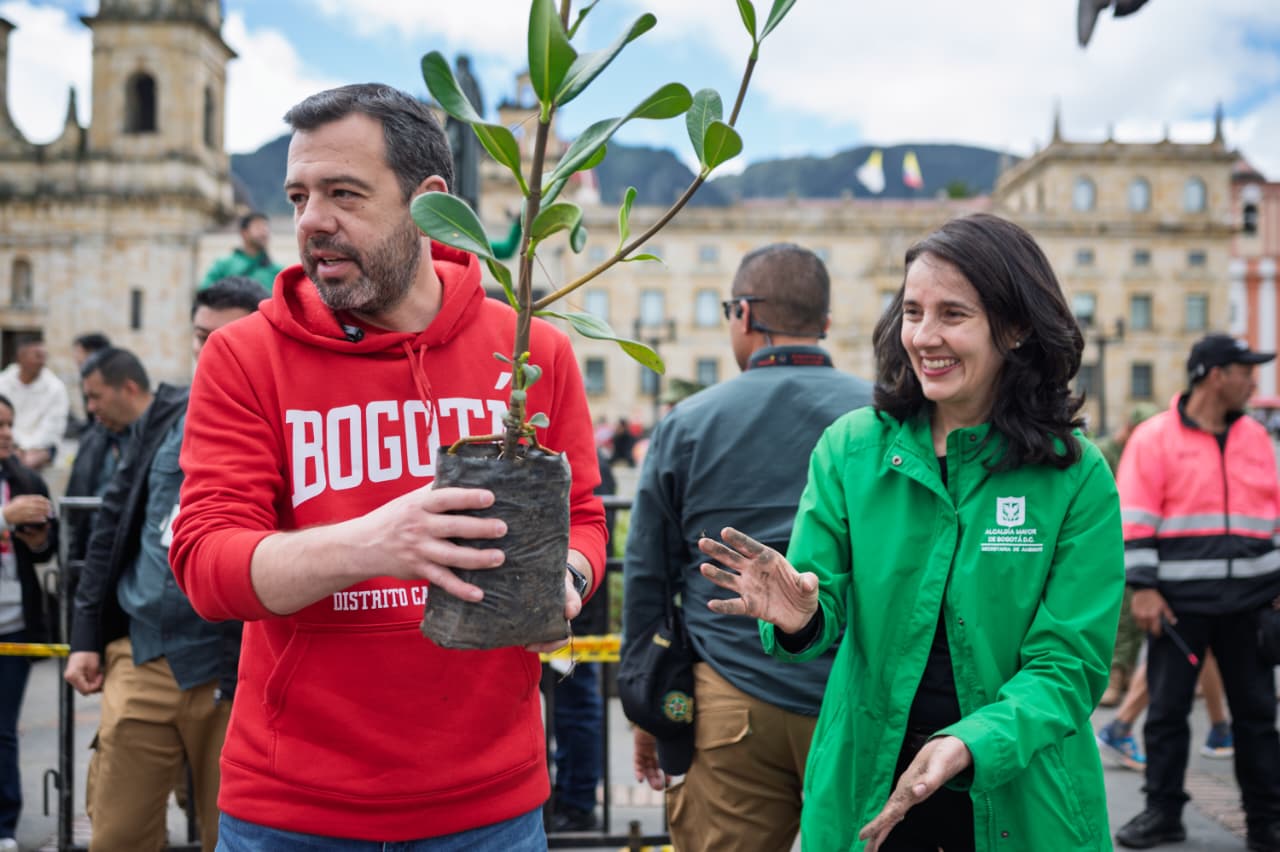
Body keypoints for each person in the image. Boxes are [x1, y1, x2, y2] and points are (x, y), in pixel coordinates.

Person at [168, 83, 606, 850]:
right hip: (291, 814)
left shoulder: (532, 351)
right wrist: (375, 542)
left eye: (344, 193)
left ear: (430, 204)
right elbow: (206, 563)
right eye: (299, 196)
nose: (312, 223)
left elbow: (585, 521)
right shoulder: (244, 355)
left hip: (490, 810)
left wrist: (564, 580)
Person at [697, 214, 1124, 851]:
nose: (925, 337)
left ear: (1014, 327)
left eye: (953, 314)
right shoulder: (850, 449)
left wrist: (967, 743)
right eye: (913, 312)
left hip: (1024, 795)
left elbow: (1068, 666)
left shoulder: (1075, 475)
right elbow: (822, 601)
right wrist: (801, 616)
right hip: (865, 786)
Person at [621, 243, 872, 850]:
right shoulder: (882, 418)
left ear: (745, 315)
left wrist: (649, 704)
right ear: (826, 325)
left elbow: (648, 574)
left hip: (728, 701)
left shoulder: (688, 423)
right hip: (857, 699)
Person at [64, 278, 267, 852]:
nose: (214, 352)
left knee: (232, 837)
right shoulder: (167, 411)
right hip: (142, 654)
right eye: (203, 338)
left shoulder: (288, 413)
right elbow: (111, 525)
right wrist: (84, 637)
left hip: (239, 668)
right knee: (118, 832)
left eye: (229, 337)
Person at [1113, 333, 1280, 851]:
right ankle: (1162, 814)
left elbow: (1272, 517)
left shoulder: (1256, 438)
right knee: (1165, 715)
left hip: (1251, 606)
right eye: (1244, 370)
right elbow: (1134, 517)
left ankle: (1265, 823)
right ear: (1214, 374)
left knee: (1257, 718)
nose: (1253, 380)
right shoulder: (1154, 437)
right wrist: (1142, 588)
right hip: (1178, 606)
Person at [547, 448, 617, 833]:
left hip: (575, 608)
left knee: (574, 706)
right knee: (573, 706)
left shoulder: (582, 461)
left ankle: (577, 801)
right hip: (577, 605)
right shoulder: (594, 460)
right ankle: (573, 796)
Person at [0, 393, 56, 852]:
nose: (6, 433)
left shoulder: (23, 478)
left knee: (3, 729)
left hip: (13, 623)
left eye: (9, 424)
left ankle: (4, 825)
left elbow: (46, 550)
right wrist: (4, 517)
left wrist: (38, 539)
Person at [63, 348, 151, 569]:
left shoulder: (171, 440)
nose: (90, 408)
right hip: (93, 568)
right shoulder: (93, 440)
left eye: (96, 397)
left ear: (129, 389)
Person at [1096, 401, 1159, 707]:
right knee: (1120, 617)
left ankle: (1129, 673)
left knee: (1137, 617)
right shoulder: (1106, 453)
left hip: (1138, 542)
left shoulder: (1149, 452)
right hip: (1112, 541)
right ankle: (1115, 676)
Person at [0, 334, 69, 472]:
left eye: (44, 356)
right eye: (37, 355)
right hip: (8, 443)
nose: (42, 361)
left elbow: (51, 430)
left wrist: (24, 449)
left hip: (40, 449)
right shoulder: (3, 382)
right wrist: (15, 446)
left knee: (28, 464)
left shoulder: (56, 388)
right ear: (21, 356)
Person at [200, 211, 284, 292]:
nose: (264, 232)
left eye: (266, 227)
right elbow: (205, 291)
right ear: (244, 233)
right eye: (258, 227)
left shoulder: (276, 271)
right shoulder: (224, 265)